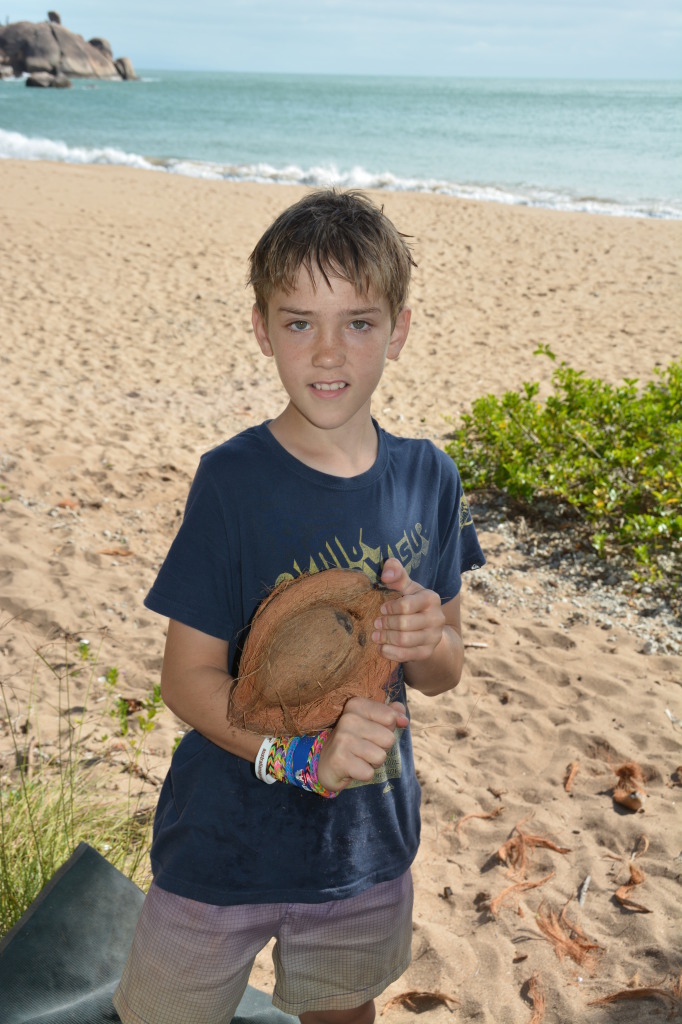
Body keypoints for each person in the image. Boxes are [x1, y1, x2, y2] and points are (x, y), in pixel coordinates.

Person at [113, 189, 485, 1024]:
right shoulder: (234, 481)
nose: (328, 351)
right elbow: (188, 677)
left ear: (399, 329)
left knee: (343, 1010)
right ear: (260, 328)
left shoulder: (430, 477)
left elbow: (443, 671)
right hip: (221, 843)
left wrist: (427, 638)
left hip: (363, 848)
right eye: (298, 322)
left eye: (358, 322)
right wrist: (298, 760)